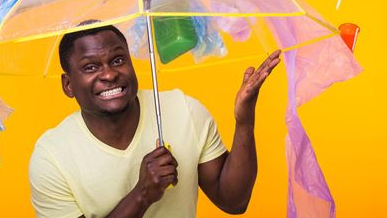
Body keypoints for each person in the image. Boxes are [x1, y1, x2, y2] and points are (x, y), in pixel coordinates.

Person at [29, 24, 281, 217]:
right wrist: (143, 194)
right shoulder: (52, 156)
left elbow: (234, 201)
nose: (109, 73)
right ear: (68, 84)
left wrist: (245, 122)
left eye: (117, 60)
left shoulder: (185, 110)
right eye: (90, 67)